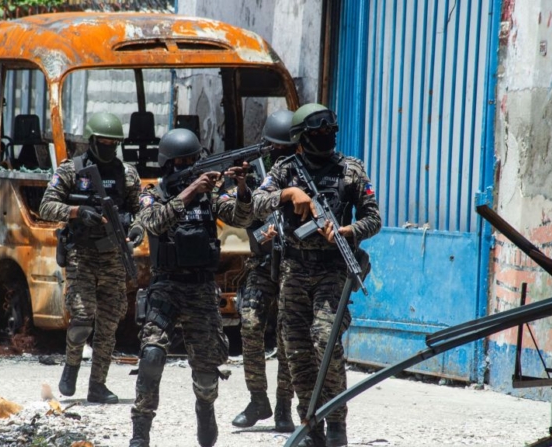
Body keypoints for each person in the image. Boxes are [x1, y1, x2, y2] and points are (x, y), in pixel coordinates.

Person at [252, 103, 381, 447]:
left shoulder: (350, 170)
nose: (325, 138)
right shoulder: (285, 169)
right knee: (296, 350)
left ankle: (336, 420)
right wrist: (290, 194)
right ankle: (310, 424)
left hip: (332, 270)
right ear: (301, 138)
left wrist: (348, 230)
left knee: (325, 344)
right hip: (294, 271)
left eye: (329, 132)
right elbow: (257, 202)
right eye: (317, 133)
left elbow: (374, 218)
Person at [129, 128, 253, 447]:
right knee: (153, 355)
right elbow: (152, 223)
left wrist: (240, 187)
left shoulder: (211, 194)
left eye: (191, 161)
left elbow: (242, 217)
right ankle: (140, 431)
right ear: (168, 165)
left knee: (207, 370)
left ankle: (205, 407)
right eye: (181, 163)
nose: (187, 168)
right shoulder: (153, 192)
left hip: (201, 289)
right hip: (166, 286)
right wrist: (189, 192)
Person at [39, 112, 144, 404]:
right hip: (81, 255)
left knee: (109, 322)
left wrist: (137, 229)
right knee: (83, 318)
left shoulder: (128, 174)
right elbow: (46, 206)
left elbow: (141, 209)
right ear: (92, 141)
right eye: (104, 142)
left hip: (113, 255)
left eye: (114, 143)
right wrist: (76, 212)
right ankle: (72, 364)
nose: (109, 147)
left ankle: (97, 385)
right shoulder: (71, 170)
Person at [231, 110, 298, 433]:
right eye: (275, 149)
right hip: (261, 264)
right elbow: (243, 221)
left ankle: (284, 405)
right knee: (250, 324)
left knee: (288, 337)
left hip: (294, 266)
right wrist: (243, 191)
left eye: (286, 149)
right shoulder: (256, 177)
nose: (279, 156)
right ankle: (259, 399)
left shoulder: (305, 176)